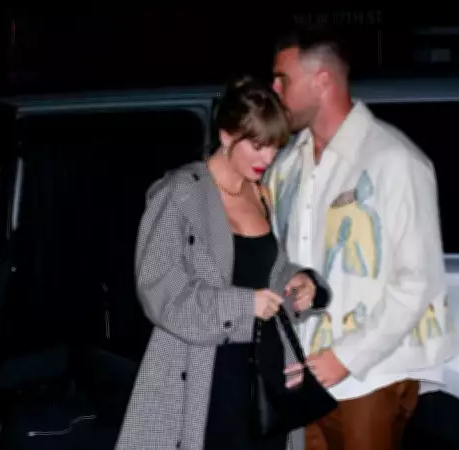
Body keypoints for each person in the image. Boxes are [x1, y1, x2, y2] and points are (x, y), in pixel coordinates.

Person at [263, 29, 459, 450]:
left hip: (371, 376)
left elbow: (418, 280)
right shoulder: (288, 165)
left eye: (283, 79)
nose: (273, 89)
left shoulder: (393, 160)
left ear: (322, 80)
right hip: (305, 373)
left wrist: (346, 357)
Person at [115, 76, 331, 450]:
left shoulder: (260, 193)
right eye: (258, 146)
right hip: (202, 374)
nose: (268, 159)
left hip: (263, 372)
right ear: (227, 135)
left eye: (275, 146)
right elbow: (159, 294)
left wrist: (300, 281)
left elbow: (268, 270)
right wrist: (243, 305)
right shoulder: (180, 193)